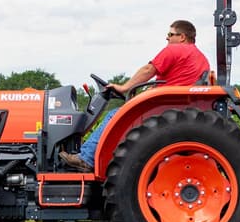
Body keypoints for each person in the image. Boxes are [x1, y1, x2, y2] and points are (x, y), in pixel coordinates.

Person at [60, 19, 210, 172]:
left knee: (114, 116)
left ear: (182, 37)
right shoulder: (201, 58)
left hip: (163, 108)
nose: (167, 38)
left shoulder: (175, 50)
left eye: (170, 34)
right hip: (177, 107)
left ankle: (86, 158)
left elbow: (148, 70)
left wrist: (124, 87)